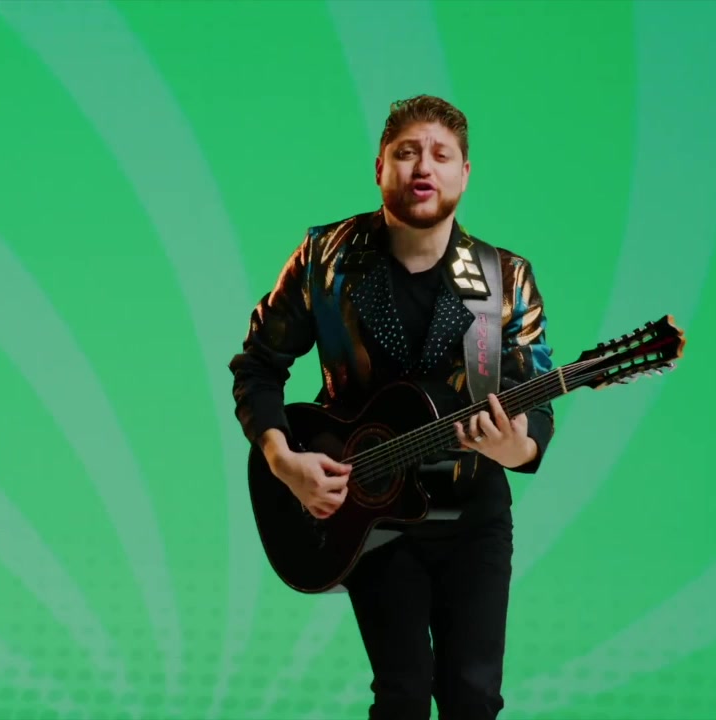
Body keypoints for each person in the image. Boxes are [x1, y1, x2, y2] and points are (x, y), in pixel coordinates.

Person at [228, 94, 557, 719]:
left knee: (473, 697)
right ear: (380, 166)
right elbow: (258, 365)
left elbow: (535, 398)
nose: (423, 167)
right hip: (370, 514)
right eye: (407, 153)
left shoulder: (505, 278)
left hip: (472, 514)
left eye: (441, 155)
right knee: (402, 693)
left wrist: (513, 446)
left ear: (465, 173)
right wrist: (283, 460)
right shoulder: (325, 259)